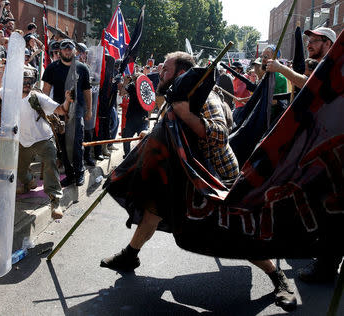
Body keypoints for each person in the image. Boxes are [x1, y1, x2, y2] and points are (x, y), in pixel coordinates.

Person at [101, 51, 297, 312]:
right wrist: (154, 132)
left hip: (214, 177)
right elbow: (172, 129)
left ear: (181, 73)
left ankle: (278, 278)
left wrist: (186, 116)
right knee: (153, 210)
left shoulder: (206, 97)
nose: (160, 73)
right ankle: (129, 256)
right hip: (183, 174)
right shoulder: (176, 95)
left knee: (236, 232)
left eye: (166, 70)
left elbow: (219, 134)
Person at [265, 27, 342, 284]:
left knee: (331, 208)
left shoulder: (331, 68)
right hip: (322, 147)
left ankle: (326, 267)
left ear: (329, 44)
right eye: (308, 40)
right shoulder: (323, 66)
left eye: (315, 40)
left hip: (334, 151)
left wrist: (281, 69)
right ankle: (323, 257)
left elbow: (311, 88)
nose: (309, 44)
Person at [17, 67, 72, 219]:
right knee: (20, 171)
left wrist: (67, 100)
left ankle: (55, 203)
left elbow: (60, 110)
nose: (26, 84)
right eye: (23, 81)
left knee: (50, 166)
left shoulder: (38, 97)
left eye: (29, 81)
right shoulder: (8, 95)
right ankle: (29, 182)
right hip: (22, 141)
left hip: (43, 138)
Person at [42, 39, 92, 187]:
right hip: (59, 111)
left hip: (77, 112)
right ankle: (70, 176)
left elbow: (87, 91)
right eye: (65, 49)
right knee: (63, 146)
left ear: (74, 50)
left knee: (76, 144)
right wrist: (45, 110)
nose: (68, 51)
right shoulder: (52, 68)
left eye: (70, 48)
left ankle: (79, 173)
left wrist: (89, 110)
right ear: (60, 51)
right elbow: (45, 90)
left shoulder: (82, 68)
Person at [266, 27, 336, 89]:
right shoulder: (320, 66)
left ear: (327, 43)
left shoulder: (334, 66)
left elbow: (311, 85)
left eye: (313, 41)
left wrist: (280, 68)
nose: (308, 45)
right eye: (309, 41)